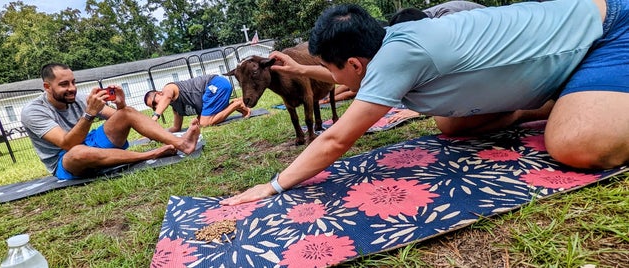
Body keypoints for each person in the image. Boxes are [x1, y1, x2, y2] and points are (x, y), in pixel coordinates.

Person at [221, 0, 628, 205]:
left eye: (334, 68)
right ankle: (570, 99)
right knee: (452, 125)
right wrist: (303, 69)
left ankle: (583, 105)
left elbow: (335, 140)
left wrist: (272, 185)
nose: (337, 79)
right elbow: (345, 78)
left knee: (575, 144)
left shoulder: (400, 56)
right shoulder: (388, 44)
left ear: (354, 63)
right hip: (562, 56)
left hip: (607, 32)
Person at [22, 63, 201, 180]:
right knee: (78, 152)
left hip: (90, 142)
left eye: (73, 82)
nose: (72, 89)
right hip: (65, 160)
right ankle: (151, 155)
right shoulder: (33, 111)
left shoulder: (79, 98)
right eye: (64, 85)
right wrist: (89, 114)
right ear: (47, 87)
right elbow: (67, 144)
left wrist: (121, 105)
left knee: (128, 113)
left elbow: (118, 117)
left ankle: (182, 143)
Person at [144, 75, 251, 132]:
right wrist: (156, 134)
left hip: (216, 84)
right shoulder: (176, 108)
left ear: (159, 93)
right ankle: (235, 104)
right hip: (213, 92)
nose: (156, 106)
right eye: (154, 107)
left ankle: (237, 105)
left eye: (154, 102)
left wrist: (155, 117)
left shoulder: (168, 88)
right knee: (199, 122)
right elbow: (176, 128)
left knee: (205, 123)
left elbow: (167, 97)